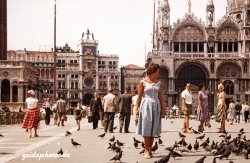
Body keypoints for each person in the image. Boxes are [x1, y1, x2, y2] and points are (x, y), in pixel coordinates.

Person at [136, 63, 165, 159]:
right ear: (153, 72)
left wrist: (163, 108)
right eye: (158, 72)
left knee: (153, 128)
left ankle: (149, 148)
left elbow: (160, 96)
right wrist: (136, 108)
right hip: (146, 106)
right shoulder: (142, 82)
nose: (159, 73)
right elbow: (139, 96)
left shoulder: (159, 83)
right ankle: (146, 150)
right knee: (146, 127)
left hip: (156, 106)